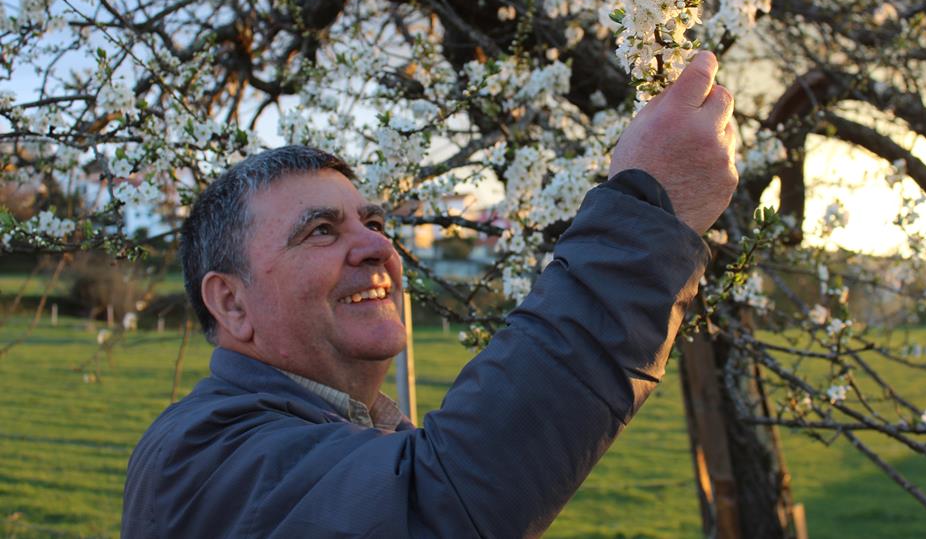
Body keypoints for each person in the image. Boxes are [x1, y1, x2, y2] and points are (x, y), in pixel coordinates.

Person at [121, 51, 738, 538]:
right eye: (320, 231)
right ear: (231, 303)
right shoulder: (203, 460)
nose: (376, 247)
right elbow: (434, 508)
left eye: (375, 223)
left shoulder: (343, 435)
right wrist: (645, 215)